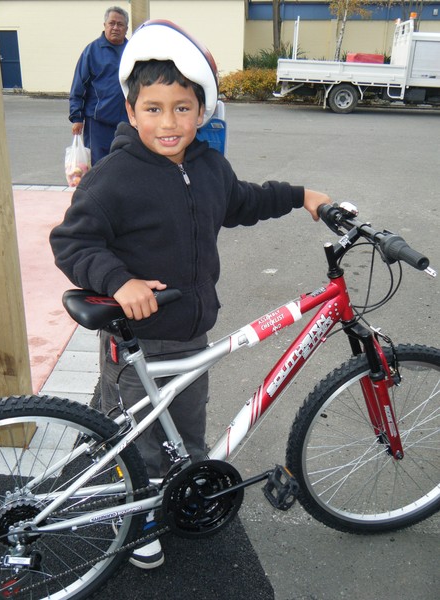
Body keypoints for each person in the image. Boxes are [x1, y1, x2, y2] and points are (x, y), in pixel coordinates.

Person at [50, 20, 331, 570]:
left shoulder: (207, 167)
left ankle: (182, 492)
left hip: (191, 330)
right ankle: (138, 516)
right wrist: (119, 281)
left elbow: (244, 201)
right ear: (131, 113)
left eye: (182, 108)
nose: (169, 122)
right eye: (153, 108)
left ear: (201, 112)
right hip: (140, 339)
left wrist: (302, 196)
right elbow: (73, 240)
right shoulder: (115, 176)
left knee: (188, 428)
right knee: (142, 440)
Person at [69, 6, 129, 165]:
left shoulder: (132, 52)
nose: (115, 27)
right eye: (112, 23)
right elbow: (78, 86)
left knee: (124, 164)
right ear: (105, 25)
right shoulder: (92, 51)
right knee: (98, 167)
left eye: (120, 24)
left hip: (127, 122)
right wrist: (77, 117)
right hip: (98, 123)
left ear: (126, 28)